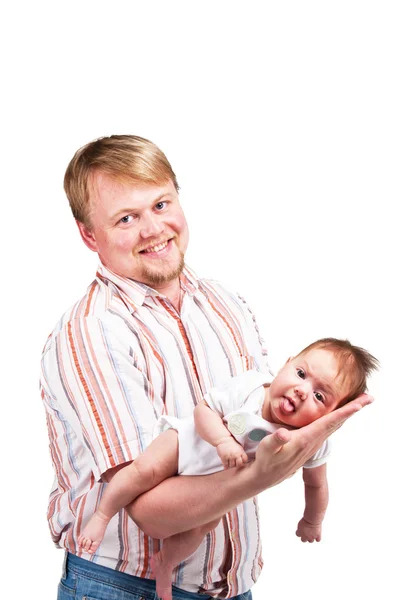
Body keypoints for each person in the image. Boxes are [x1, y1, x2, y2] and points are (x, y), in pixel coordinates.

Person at [40, 135, 373, 600]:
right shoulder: (93, 332)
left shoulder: (226, 304)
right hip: (121, 587)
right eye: (126, 218)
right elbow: (149, 511)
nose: (153, 229)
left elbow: (261, 423)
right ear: (89, 235)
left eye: (160, 204)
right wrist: (258, 474)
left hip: (233, 587)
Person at [77, 337, 378, 600]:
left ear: (334, 417)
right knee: (144, 471)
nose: (301, 390)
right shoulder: (251, 389)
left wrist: (313, 520)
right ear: (286, 364)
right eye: (300, 373)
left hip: (212, 483)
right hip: (188, 445)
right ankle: (103, 515)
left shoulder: (311, 442)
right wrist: (222, 441)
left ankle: (166, 563)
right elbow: (203, 410)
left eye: (320, 396)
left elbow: (316, 485)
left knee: (202, 526)